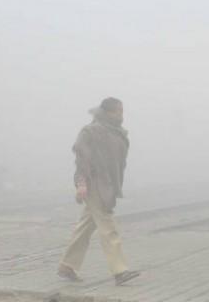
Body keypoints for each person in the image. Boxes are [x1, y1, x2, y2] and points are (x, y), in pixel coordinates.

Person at [57, 97, 140, 286]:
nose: (121, 115)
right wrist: (81, 183)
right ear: (107, 112)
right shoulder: (91, 132)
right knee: (108, 227)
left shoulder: (117, 132)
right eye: (118, 111)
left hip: (108, 185)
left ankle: (67, 266)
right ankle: (120, 270)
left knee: (86, 226)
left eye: (122, 111)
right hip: (94, 184)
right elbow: (81, 158)